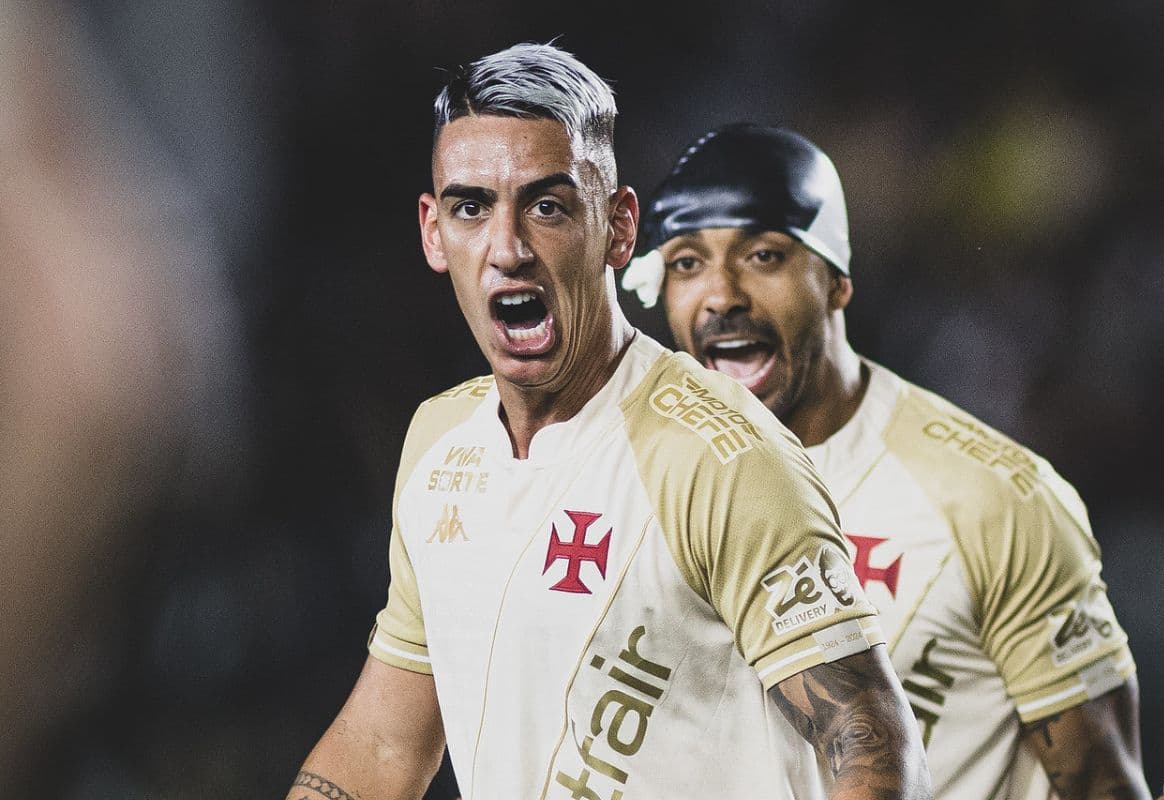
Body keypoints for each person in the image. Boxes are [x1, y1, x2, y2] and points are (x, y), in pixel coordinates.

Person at [285, 44, 932, 800]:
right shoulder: (439, 442)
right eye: (471, 207)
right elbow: (384, 745)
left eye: (547, 206)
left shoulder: (721, 458)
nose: (507, 249)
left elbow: (873, 745)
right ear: (433, 233)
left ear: (619, 228)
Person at [623, 122, 1151, 800]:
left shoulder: (992, 499)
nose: (722, 295)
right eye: (687, 263)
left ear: (838, 281)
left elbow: (1102, 784)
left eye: (764, 256)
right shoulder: (642, 479)